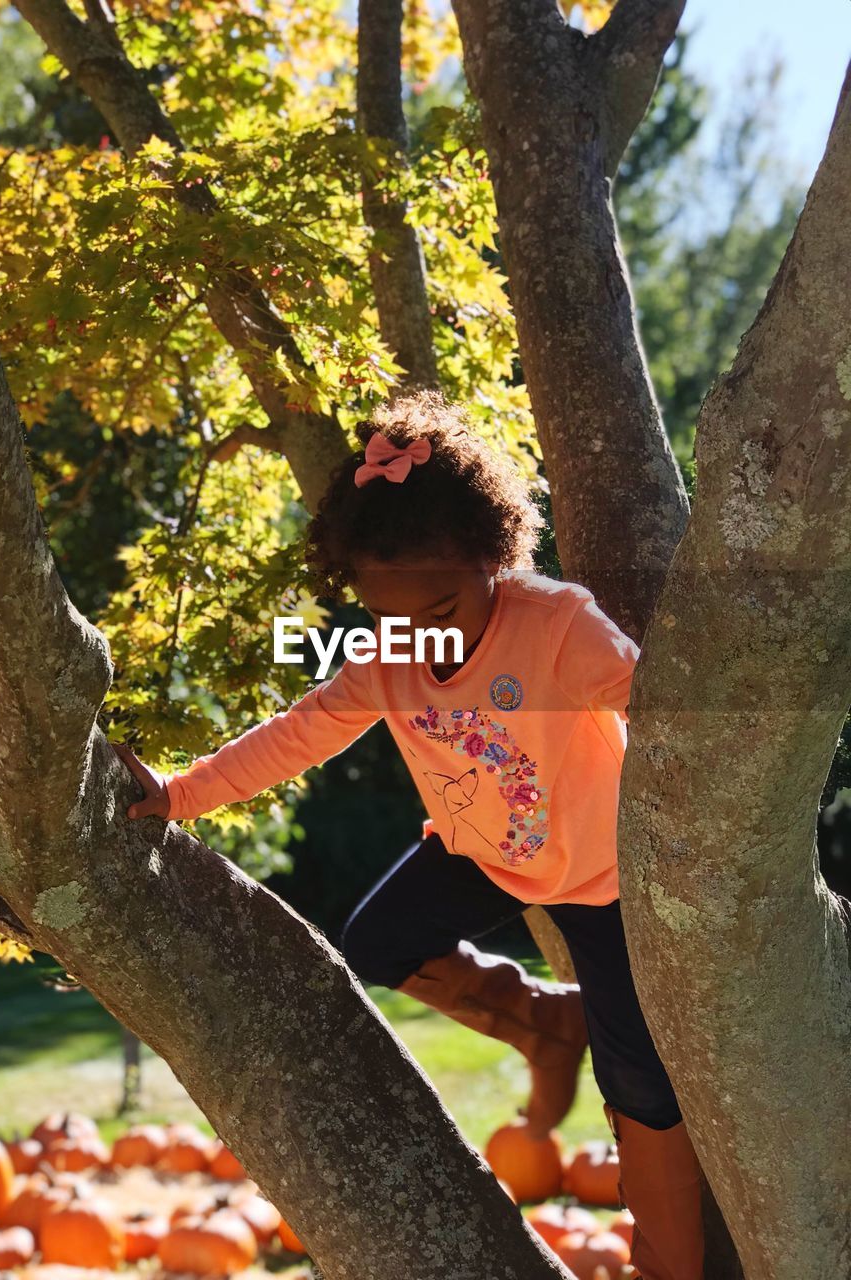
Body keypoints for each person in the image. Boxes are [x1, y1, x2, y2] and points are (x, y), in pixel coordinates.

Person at [114, 391, 704, 1280]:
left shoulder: (555, 626)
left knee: (645, 1089)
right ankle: (545, 1023)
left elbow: (659, 714)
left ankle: (672, 1266)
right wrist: (182, 794)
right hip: (482, 855)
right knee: (378, 940)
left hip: (603, 874)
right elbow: (299, 732)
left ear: (489, 559)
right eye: (392, 614)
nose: (422, 633)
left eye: (441, 606)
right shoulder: (386, 653)